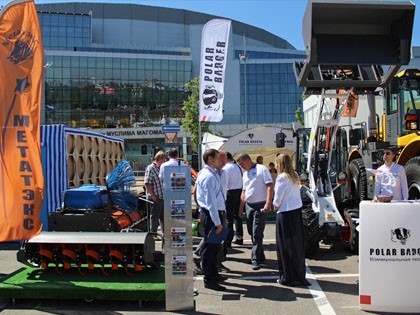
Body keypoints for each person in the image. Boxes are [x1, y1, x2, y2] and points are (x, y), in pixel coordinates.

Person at [272, 154, 310, 287]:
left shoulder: (281, 178)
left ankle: (286, 276)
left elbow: (278, 198)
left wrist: (275, 207)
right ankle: (299, 275)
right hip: (296, 212)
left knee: (284, 246)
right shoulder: (295, 176)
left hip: (285, 213)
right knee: (296, 246)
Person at [196, 149, 226, 291]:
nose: (219, 161)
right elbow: (210, 203)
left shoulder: (210, 174)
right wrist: (218, 222)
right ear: (209, 159)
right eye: (217, 158)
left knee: (214, 247)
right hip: (211, 215)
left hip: (214, 214)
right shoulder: (208, 176)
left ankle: (213, 274)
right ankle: (209, 279)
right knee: (210, 249)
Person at [237, 153, 273, 271]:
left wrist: (268, 203)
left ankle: (255, 259)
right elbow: (244, 191)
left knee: (257, 232)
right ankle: (260, 255)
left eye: (242, 163)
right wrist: (241, 208)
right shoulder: (245, 174)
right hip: (249, 206)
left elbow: (269, 185)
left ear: (247, 160)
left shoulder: (261, 169)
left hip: (260, 205)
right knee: (251, 232)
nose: (241, 166)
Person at [223, 152, 244, 246]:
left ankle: (228, 240)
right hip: (239, 192)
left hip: (230, 192)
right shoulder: (238, 167)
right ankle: (239, 237)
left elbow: (224, 183)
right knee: (238, 216)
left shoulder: (226, 168)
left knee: (229, 218)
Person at [144, 151, 165, 232]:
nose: (164, 161)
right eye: (164, 159)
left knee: (162, 217)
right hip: (155, 197)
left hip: (161, 196)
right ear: (160, 159)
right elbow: (147, 183)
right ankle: (153, 234)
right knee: (154, 217)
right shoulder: (151, 168)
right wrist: (152, 195)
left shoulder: (160, 168)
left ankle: (164, 233)